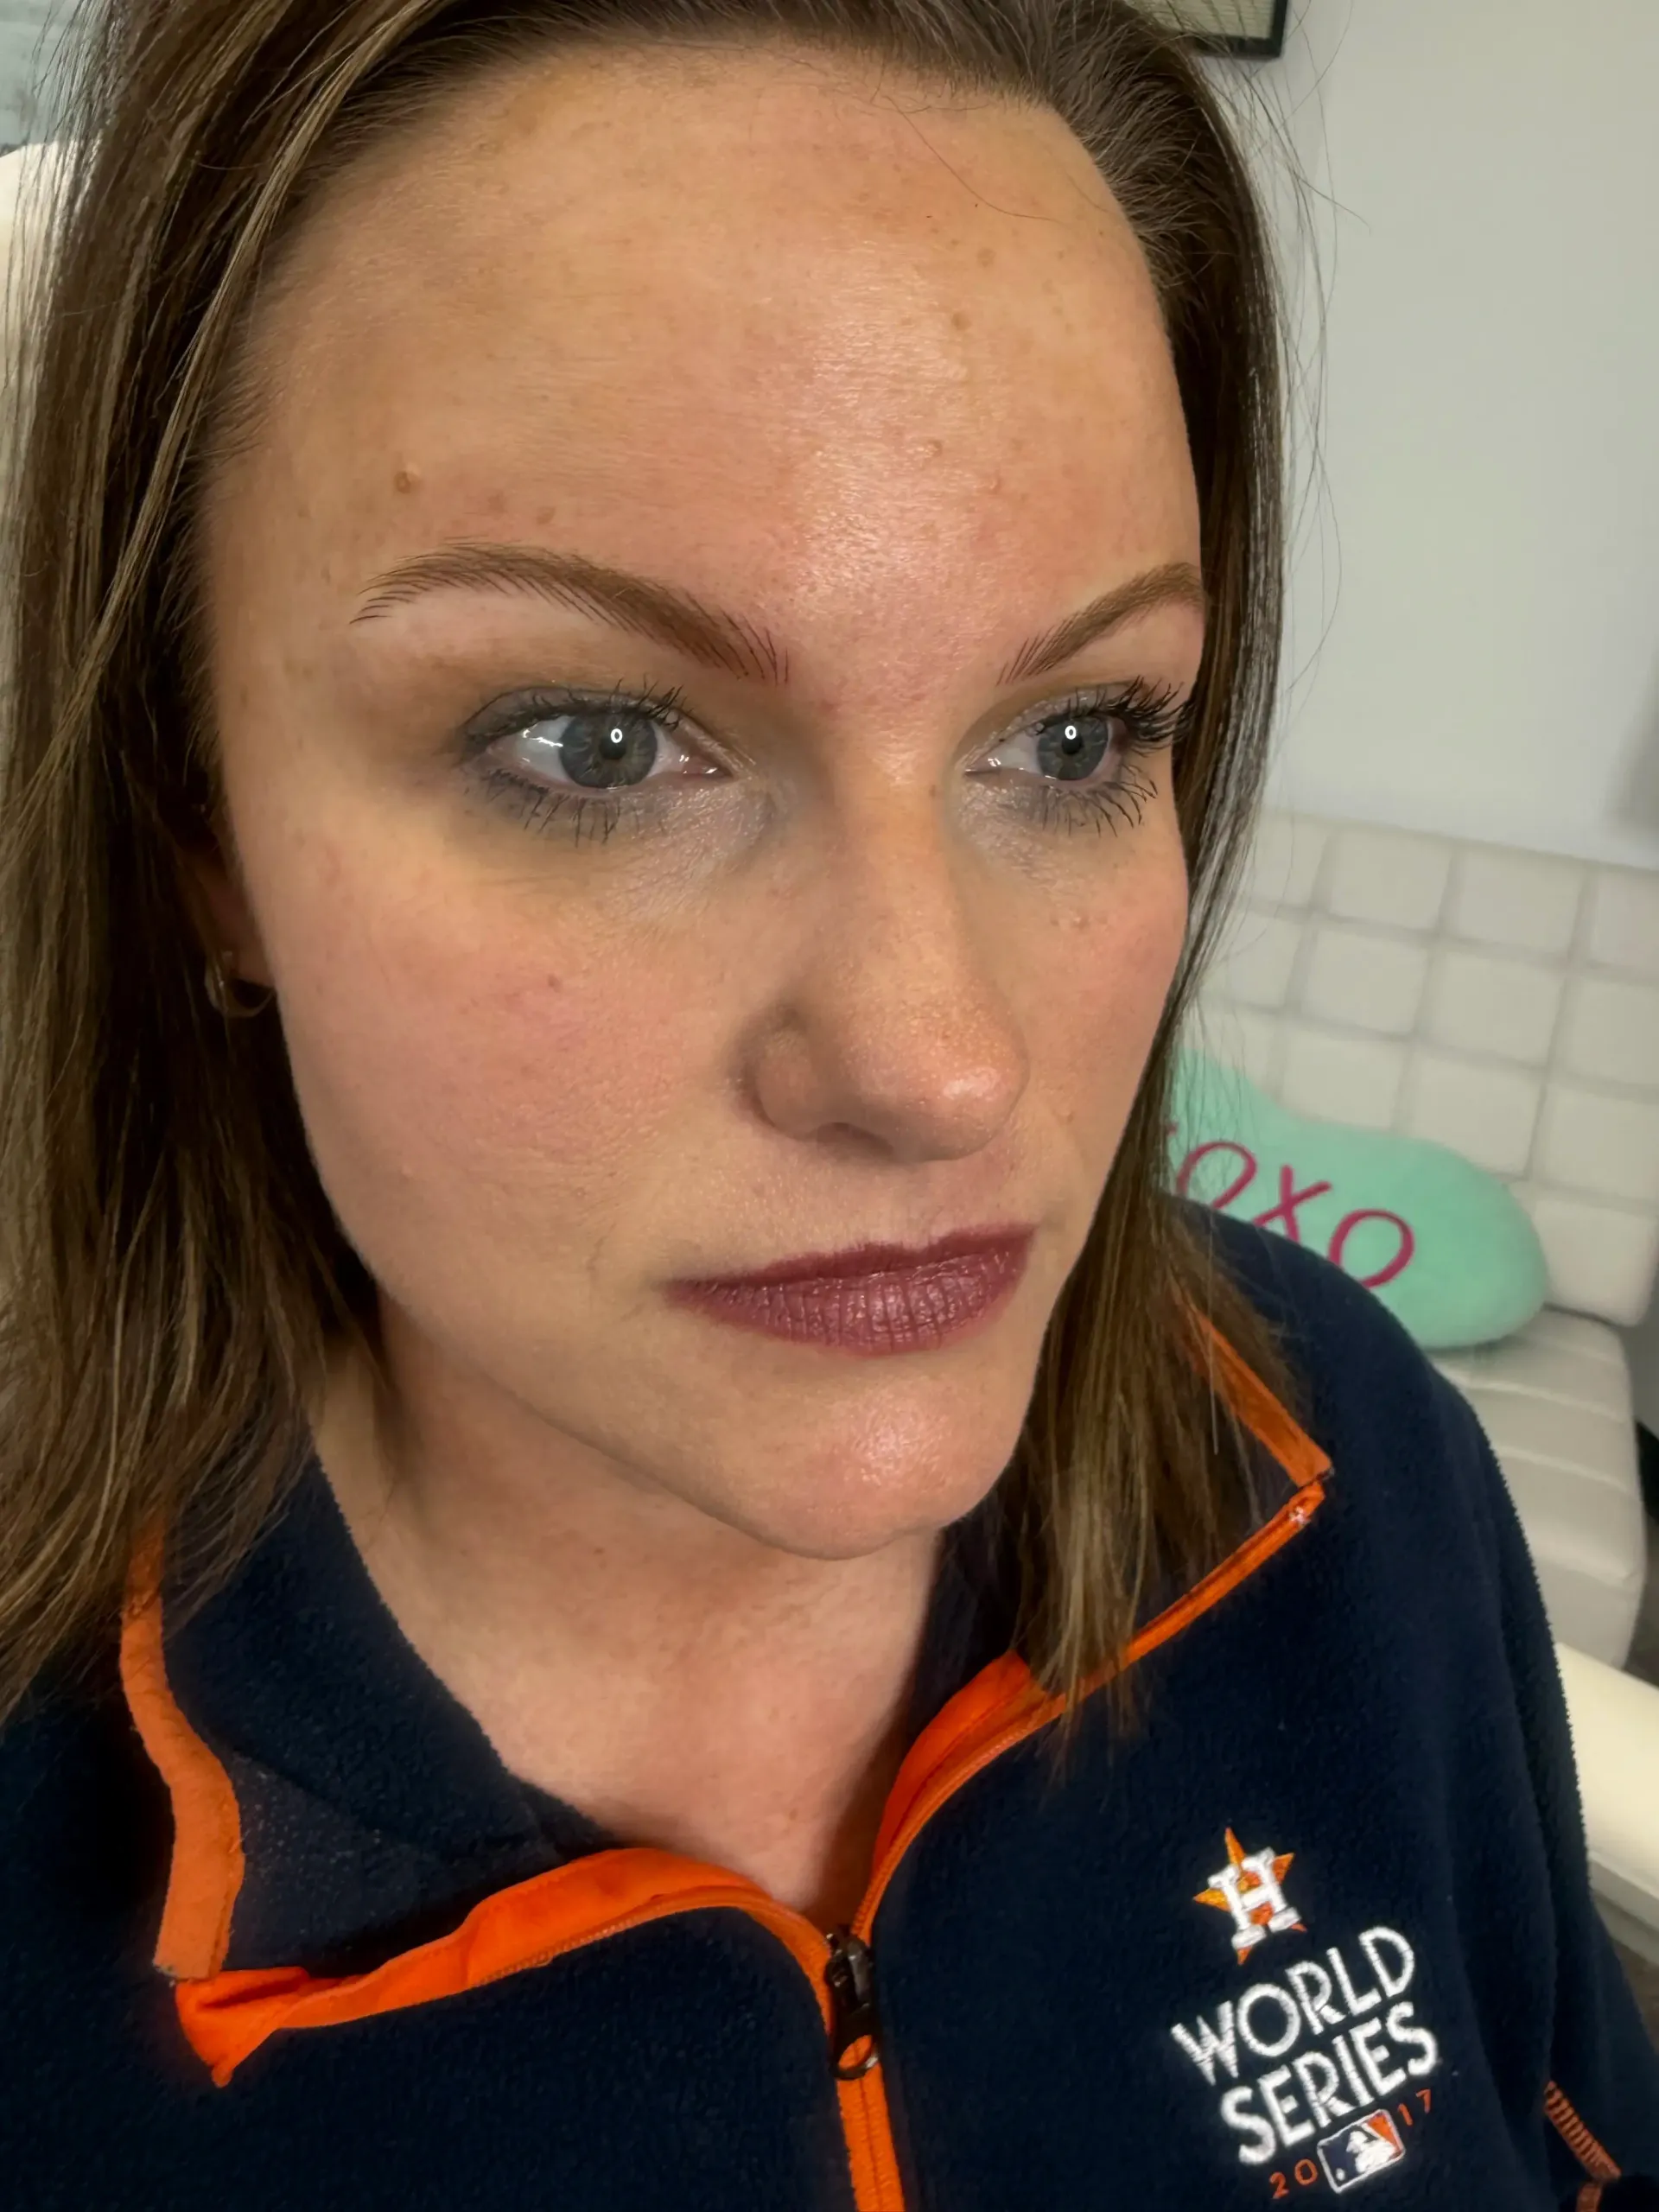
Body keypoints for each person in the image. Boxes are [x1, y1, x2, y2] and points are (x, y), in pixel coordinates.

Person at [0, 2, 1653, 2205]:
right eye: (594, 742)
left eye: (1076, 736)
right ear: (202, 830)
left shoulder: (1338, 1445)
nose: (940, 1057)